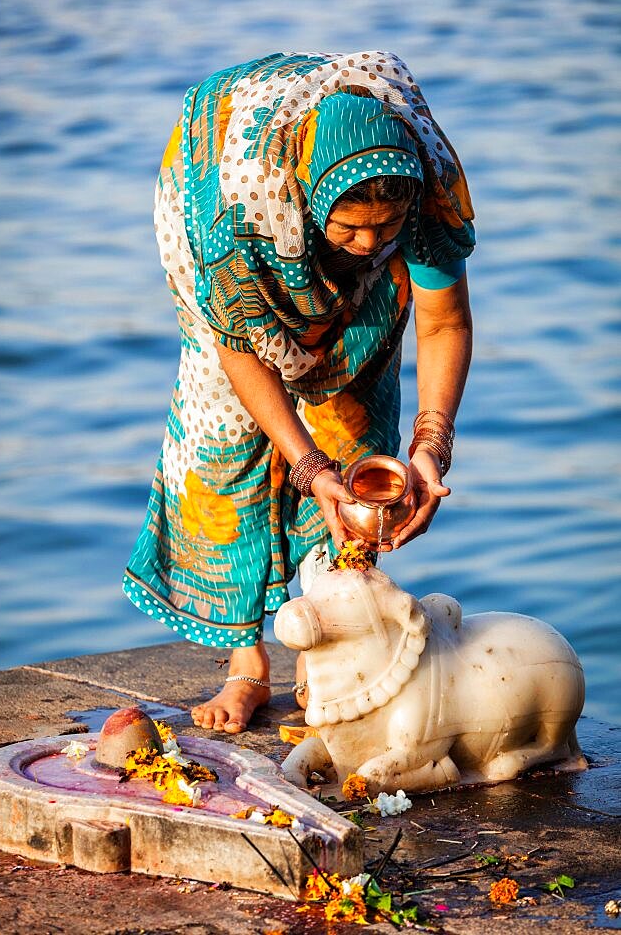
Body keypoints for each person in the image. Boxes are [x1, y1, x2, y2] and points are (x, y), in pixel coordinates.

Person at [123, 51, 475, 734]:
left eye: (384, 229)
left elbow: (445, 318)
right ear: (313, 207)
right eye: (348, 229)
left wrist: (432, 445)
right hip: (212, 166)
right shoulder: (237, 223)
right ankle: (246, 664)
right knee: (226, 429)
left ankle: (327, 657)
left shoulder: (422, 193)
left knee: (358, 429)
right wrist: (306, 465)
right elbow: (235, 351)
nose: (369, 243)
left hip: (332, 185)